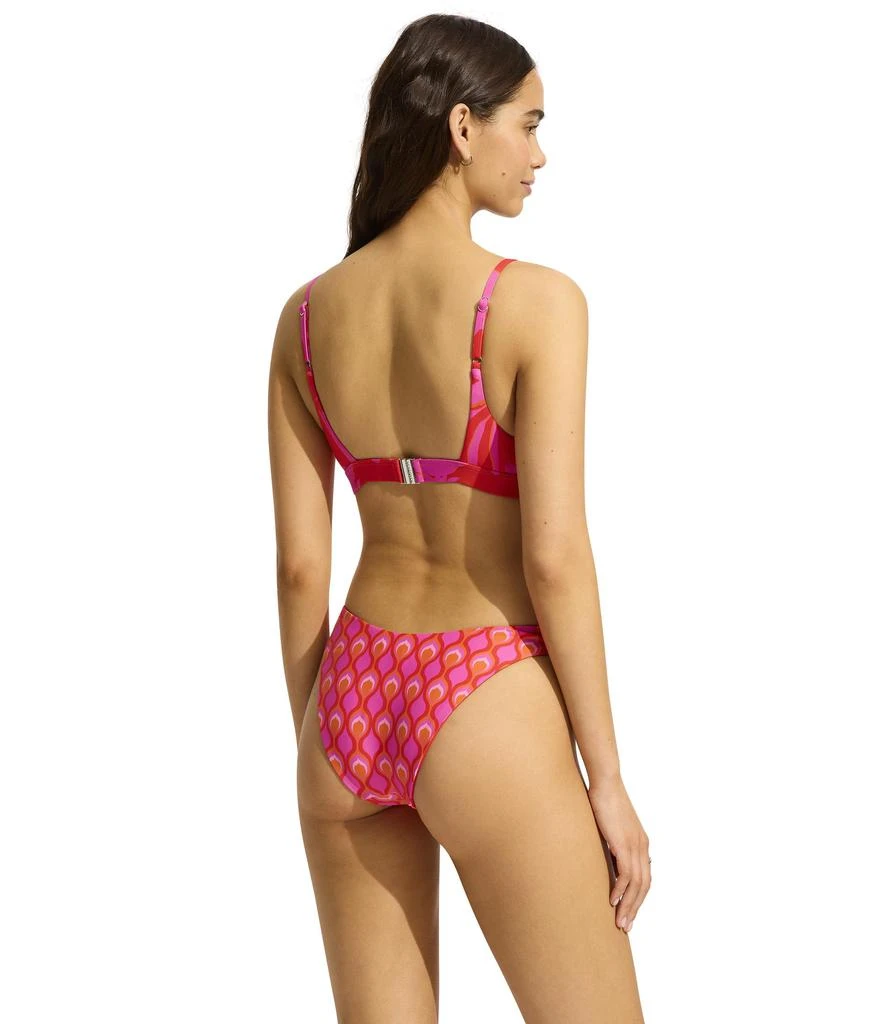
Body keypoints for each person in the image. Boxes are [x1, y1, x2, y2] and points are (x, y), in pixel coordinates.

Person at [267, 13, 650, 1023]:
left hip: (349, 696)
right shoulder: (535, 304)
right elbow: (554, 557)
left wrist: (320, 736)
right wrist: (607, 779)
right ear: (463, 126)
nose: (540, 155)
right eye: (529, 125)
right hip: (479, 687)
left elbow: (300, 569)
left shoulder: (303, 318)